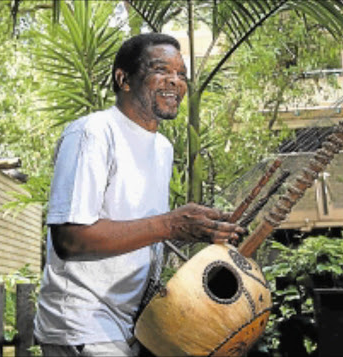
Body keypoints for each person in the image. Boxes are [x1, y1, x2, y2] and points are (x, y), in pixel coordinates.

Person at [33, 33, 246, 357]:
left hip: (132, 326)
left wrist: (198, 231)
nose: (175, 82)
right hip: (81, 325)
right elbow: (70, 239)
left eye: (181, 74)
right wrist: (171, 225)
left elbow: (143, 230)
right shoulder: (93, 133)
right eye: (162, 70)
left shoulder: (162, 148)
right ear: (124, 79)